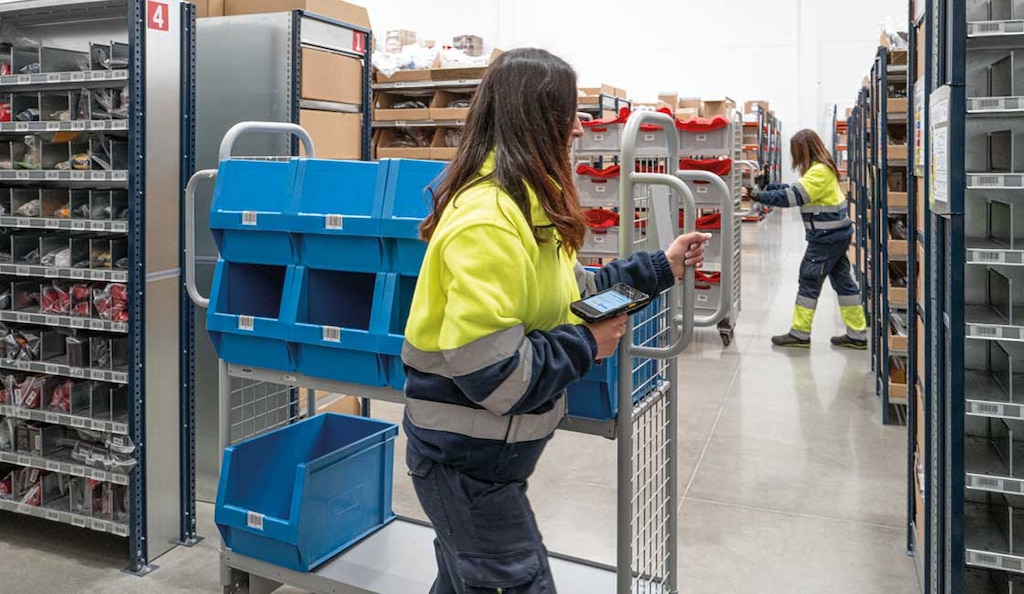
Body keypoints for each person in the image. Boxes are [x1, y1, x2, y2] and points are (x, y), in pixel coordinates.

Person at [400, 48, 708, 593]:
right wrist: (587, 344)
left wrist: (662, 266)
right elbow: (494, 375)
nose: (579, 128)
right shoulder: (488, 222)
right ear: (536, 120)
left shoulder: (527, 207)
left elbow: (577, 294)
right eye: (568, 114)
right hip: (463, 465)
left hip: (491, 463)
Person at [749, 128, 868, 349]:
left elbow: (793, 197)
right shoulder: (821, 169)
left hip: (826, 238)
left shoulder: (819, 172)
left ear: (803, 150)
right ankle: (857, 333)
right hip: (835, 236)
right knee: (843, 282)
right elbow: (797, 189)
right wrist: (771, 187)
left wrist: (760, 196)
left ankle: (800, 333)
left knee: (809, 280)